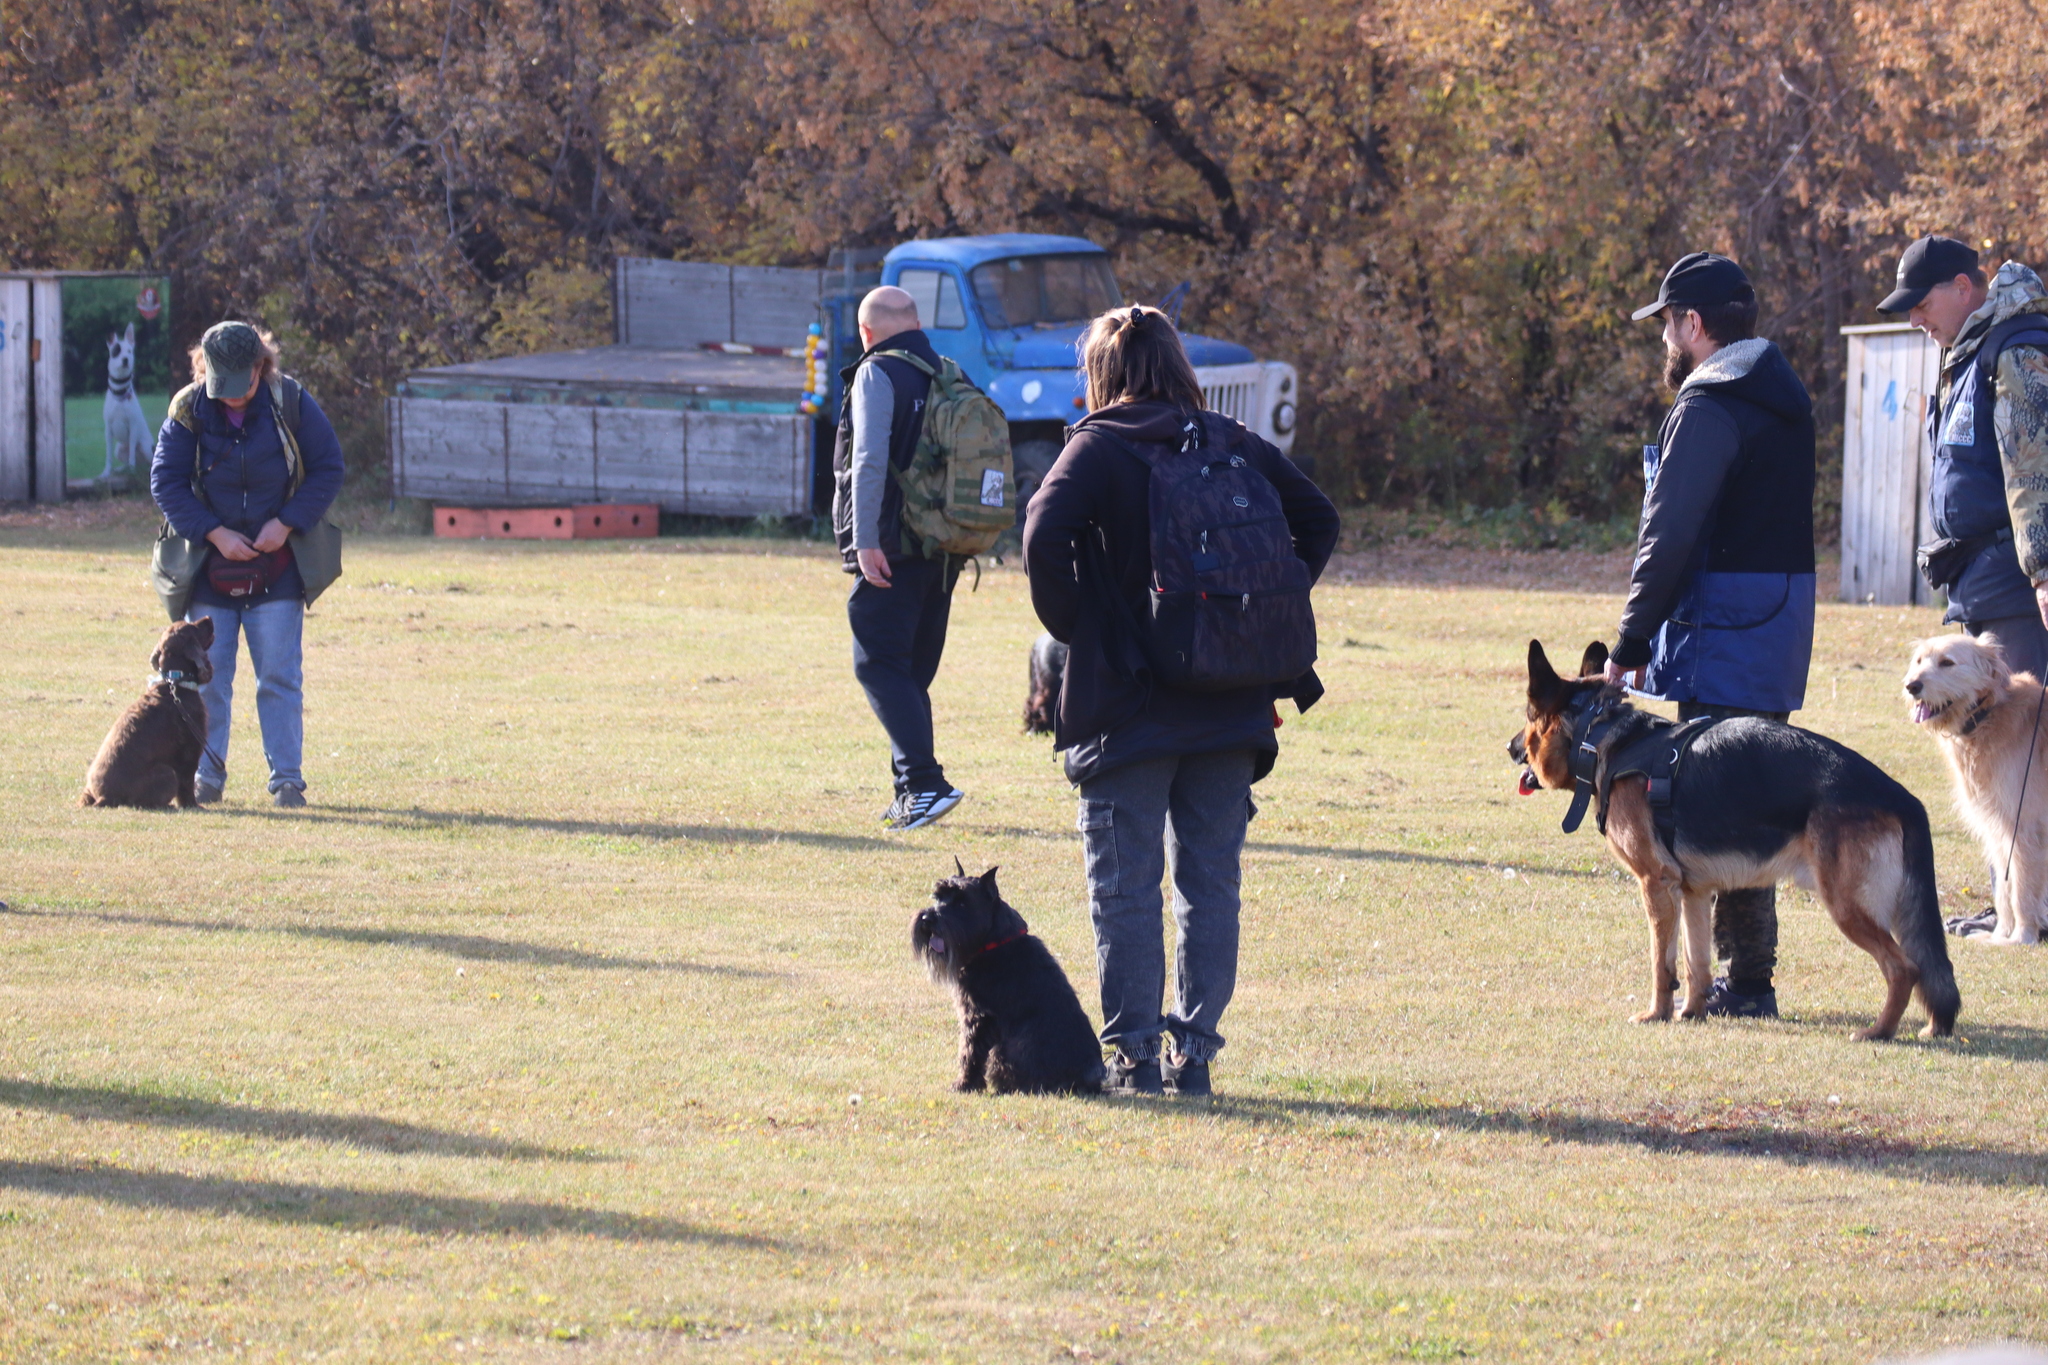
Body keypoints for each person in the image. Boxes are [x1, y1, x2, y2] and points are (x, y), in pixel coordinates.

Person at [1022, 305, 1339, 1096]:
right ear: (1176, 365)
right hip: (1230, 703)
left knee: (1127, 889)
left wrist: (1082, 627)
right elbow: (1318, 519)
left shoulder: (1098, 446)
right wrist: (1257, 610)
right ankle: (1192, 1056)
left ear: (1102, 373)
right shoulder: (1229, 441)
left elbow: (1040, 535)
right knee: (1210, 885)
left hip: (1128, 706)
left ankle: (1131, 1055)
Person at [1604, 252, 1817, 1020]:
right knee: (1755, 797)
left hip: (1725, 628)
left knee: (1723, 804)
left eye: (1666, 322)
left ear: (1693, 325)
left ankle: (1747, 983)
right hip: (1777, 624)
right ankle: (1747, 976)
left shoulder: (1709, 405)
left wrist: (1629, 644)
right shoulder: (1782, 395)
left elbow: (1669, 535)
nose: (1664, 337)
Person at [149, 322, 344, 808]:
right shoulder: (187, 408)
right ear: (205, 370)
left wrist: (287, 522)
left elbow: (329, 466)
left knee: (279, 676)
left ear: (262, 366)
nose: (234, 399)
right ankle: (205, 779)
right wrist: (213, 532)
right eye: (224, 389)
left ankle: (287, 782)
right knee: (206, 678)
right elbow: (165, 482)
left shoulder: (291, 401)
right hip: (207, 570)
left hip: (278, 568)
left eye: (245, 386)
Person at [1879, 235, 2048, 681]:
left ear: (1961, 287)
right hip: (1984, 585)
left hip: (2019, 594)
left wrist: (2043, 573)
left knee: (2026, 736)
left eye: (1921, 305)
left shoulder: (2014, 349)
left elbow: (2032, 470)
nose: (1915, 319)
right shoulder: (1968, 353)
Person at [830, 285, 965, 830]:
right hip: (945, 549)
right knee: (909, 673)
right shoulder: (948, 372)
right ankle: (910, 790)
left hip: (893, 545)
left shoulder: (877, 371)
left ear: (866, 332)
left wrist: (865, 541)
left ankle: (927, 784)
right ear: (914, 322)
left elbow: (867, 460)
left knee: (876, 662)